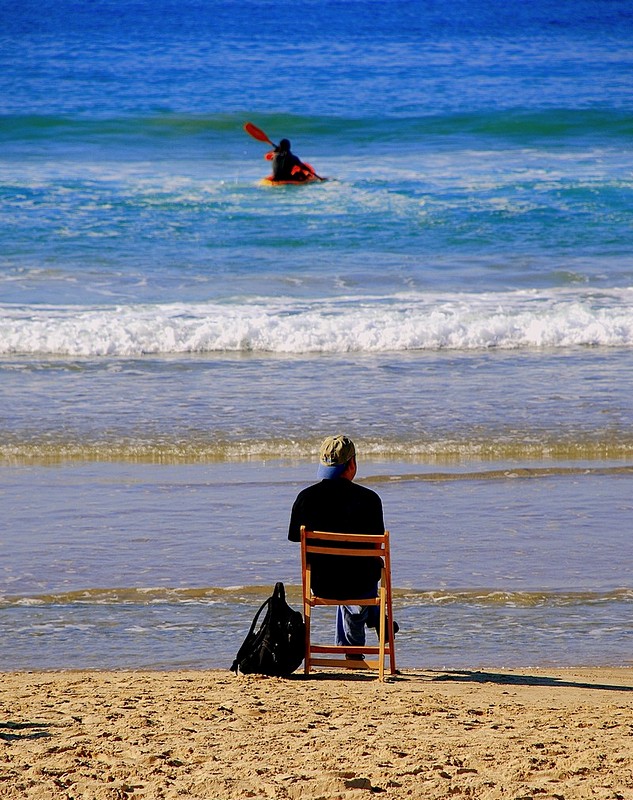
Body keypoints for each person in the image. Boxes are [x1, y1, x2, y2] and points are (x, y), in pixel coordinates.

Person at [288, 434, 396, 653]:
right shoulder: (370, 500)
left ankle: (355, 646)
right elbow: (376, 547)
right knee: (363, 572)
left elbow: (295, 538)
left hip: (322, 584)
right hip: (360, 585)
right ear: (352, 464)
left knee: (343, 571)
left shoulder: (305, 498)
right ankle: (375, 621)